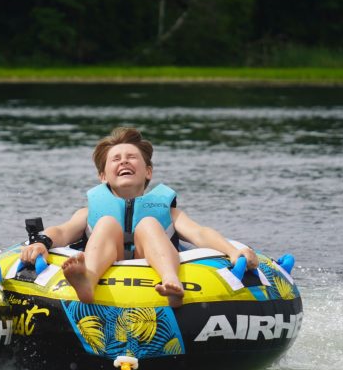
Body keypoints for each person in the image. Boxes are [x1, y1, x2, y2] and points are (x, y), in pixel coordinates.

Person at [18, 127, 257, 307]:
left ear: (148, 171)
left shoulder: (169, 212)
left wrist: (232, 250)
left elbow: (200, 233)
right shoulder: (90, 213)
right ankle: (88, 280)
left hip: (152, 256)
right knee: (107, 223)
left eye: (131, 157)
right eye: (116, 158)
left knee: (149, 223)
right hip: (109, 256)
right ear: (103, 176)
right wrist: (41, 242)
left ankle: (171, 281)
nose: (124, 161)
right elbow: (61, 231)